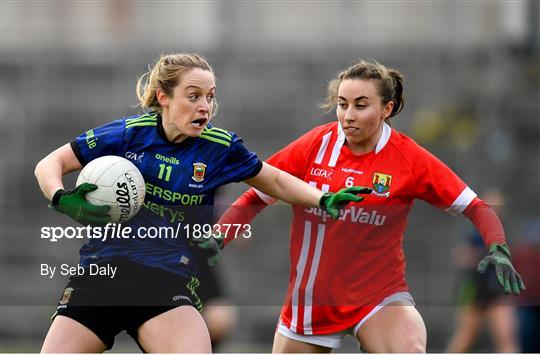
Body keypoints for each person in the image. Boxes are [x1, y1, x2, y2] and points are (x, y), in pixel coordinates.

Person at [34, 53, 370, 353]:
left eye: (209, 98)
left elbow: (276, 180)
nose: (205, 107)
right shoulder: (127, 135)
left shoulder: (219, 147)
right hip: (101, 276)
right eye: (193, 97)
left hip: (165, 281)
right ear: (163, 97)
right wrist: (61, 199)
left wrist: (322, 197)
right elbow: (50, 164)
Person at [209, 60, 526, 353]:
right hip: (312, 302)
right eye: (342, 105)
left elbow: (476, 207)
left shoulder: (408, 158)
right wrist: (220, 236)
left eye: (361, 105)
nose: (348, 115)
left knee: (410, 346)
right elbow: (256, 196)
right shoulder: (315, 146)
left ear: (387, 108)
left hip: (379, 298)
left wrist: (497, 245)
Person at [446, 189, 519, 353]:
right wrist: (482, 256)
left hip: (497, 289)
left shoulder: (504, 233)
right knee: (466, 336)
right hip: (474, 288)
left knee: (506, 336)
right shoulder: (474, 232)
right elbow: (461, 256)